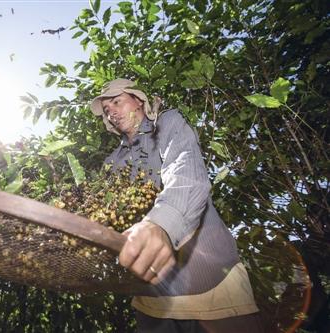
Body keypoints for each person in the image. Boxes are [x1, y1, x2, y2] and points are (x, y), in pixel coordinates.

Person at [90, 78, 263, 333]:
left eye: (116, 101)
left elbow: (186, 172)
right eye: (107, 110)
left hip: (211, 283)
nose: (112, 111)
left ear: (138, 100)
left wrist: (161, 224)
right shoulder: (112, 161)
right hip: (150, 296)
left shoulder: (167, 123)